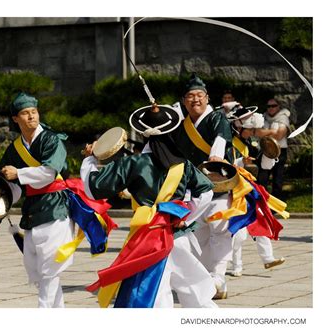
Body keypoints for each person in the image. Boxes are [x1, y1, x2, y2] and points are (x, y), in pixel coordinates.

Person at [82, 104, 218, 308]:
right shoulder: (182, 164)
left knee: (157, 293)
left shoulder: (133, 163)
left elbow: (93, 187)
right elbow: (206, 191)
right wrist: (184, 216)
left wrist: (90, 159)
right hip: (178, 236)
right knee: (192, 289)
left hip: (150, 237)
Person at [0, 92, 75, 308]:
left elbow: (49, 173)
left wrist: (19, 174)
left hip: (55, 208)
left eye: (34, 112)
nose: (31, 116)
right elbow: (11, 186)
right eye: (25, 113)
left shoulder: (52, 139)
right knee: (36, 267)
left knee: (49, 269)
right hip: (32, 212)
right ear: (15, 119)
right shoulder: (15, 149)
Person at [170, 74, 234, 299]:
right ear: (184, 100)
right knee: (197, 237)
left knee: (221, 231)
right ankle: (213, 281)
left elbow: (220, 139)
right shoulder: (181, 124)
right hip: (192, 191)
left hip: (218, 184)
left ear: (207, 98)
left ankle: (218, 276)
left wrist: (214, 159)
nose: (195, 100)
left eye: (199, 95)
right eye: (190, 96)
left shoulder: (218, 118)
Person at [223, 104, 286, 277]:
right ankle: (235, 264)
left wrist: (269, 154)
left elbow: (263, 167)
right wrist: (242, 163)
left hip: (250, 190)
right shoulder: (227, 145)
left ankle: (268, 258)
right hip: (232, 192)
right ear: (239, 127)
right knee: (238, 231)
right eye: (249, 130)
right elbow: (222, 167)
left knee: (260, 222)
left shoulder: (251, 143)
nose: (252, 133)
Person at [256, 98, 291, 198]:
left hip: (279, 152)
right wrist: (272, 132)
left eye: (273, 105)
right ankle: (262, 203)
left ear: (279, 106)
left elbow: (280, 135)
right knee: (262, 179)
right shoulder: (262, 117)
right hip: (264, 152)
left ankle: (276, 207)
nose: (271, 108)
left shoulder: (283, 118)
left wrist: (265, 133)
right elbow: (257, 133)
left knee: (277, 180)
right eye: (269, 106)